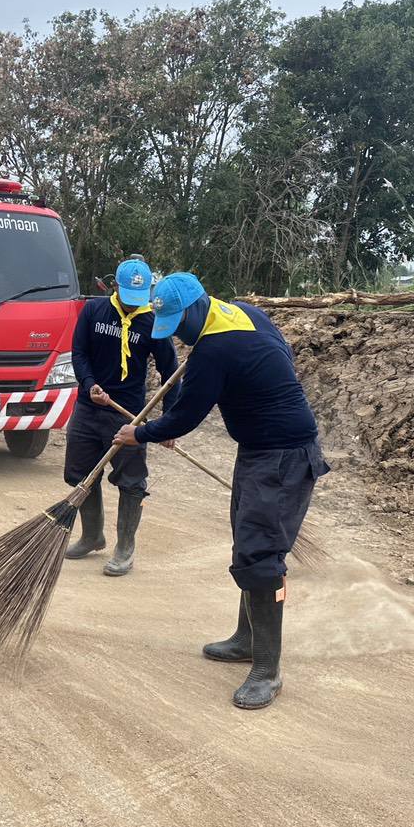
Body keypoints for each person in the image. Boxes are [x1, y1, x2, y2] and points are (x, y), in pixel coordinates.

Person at [112, 272, 329, 710]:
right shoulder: (243, 314)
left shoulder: (215, 348)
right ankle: (246, 640)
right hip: (260, 450)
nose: (179, 336)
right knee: (247, 546)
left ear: (197, 306)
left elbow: (187, 416)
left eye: (180, 325)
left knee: (261, 557)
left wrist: (142, 433)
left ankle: (267, 670)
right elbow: (280, 353)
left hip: (283, 456)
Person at [63, 257, 178, 576]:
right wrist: (89, 384)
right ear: (115, 286)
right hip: (88, 407)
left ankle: (125, 548)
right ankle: (91, 536)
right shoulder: (94, 311)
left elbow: (171, 374)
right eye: (128, 298)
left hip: (129, 416)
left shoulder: (153, 323)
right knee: (79, 473)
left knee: (131, 482)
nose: (132, 305)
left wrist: (170, 423)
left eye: (138, 299)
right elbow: (79, 353)